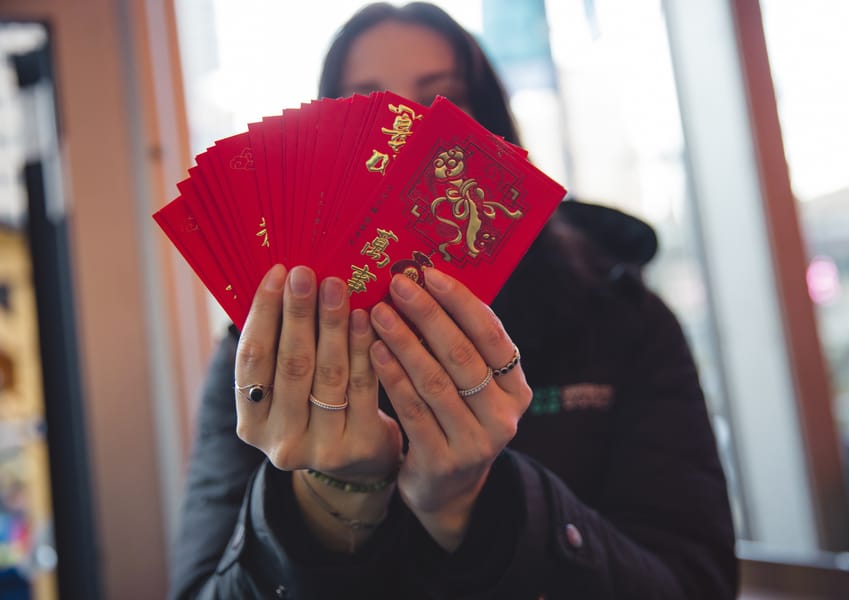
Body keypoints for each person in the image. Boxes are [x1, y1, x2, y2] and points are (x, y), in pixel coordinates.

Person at [170, 3, 737, 598]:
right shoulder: (267, 350)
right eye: (369, 107)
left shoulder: (620, 318)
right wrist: (326, 499)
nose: (409, 128)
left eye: (443, 100)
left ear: (492, 128)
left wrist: (484, 502)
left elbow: (695, 582)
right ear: (324, 147)